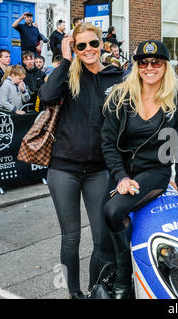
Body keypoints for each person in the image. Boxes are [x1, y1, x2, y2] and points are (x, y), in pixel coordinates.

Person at [101, 39, 178, 299]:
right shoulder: (121, 95)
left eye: (156, 62)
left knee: (114, 211)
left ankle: (124, 285)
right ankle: (105, 281)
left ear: (165, 65)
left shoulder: (177, 96)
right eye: (143, 62)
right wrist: (121, 177)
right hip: (122, 172)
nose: (149, 67)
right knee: (104, 235)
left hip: (154, 172)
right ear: (137, 65)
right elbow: (108, 143)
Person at [38, 22, 124, 299]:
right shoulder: (67, 75)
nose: (88, 50)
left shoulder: (117, 77)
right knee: (71, 238)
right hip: (64, 168)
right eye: (80, 45)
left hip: (100, 169)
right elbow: (46, 96)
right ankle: (74, 293)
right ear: (74, 48)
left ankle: (94, 289)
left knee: (102, 238)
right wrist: (65, 60)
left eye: (93, 44)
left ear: (102, 45)